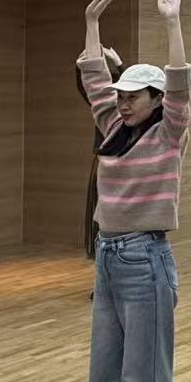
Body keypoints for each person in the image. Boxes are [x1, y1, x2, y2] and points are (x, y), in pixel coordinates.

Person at [78, 0, 191, 382]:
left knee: (143, 377)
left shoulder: (169, 133)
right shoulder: (111, 126)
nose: (122, 102)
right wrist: (91, 24)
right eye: (120, 96)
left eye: (133, 96)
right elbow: (93, 79)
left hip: (146, 260)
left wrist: (172, 22)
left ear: (156, 100)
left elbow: (181, 84)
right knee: (105, 376)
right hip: (108, 257)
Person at [77, 46, 124, 264]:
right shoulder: (105, 112)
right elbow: (87, 87)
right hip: (106, 162)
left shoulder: (129, 111)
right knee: (102, 216)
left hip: (123, 164)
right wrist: (82, 66)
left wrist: (119, 64)